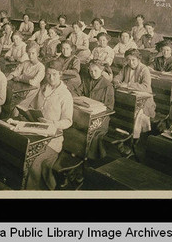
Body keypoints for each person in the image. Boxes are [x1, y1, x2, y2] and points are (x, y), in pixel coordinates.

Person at [25, 59, 73, 190]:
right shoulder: (43, 88)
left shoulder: (65, 95)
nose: (50, 78)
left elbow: (68, 121)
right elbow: (32, 106)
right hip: (37, 132)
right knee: (21, 149)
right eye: (48, 74)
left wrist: (52, 123)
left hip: (52, 140)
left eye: (54, 74)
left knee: (33, 161)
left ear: (60, 74)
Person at [112, 48, 156, 140]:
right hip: (129, 97)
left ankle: (134, 137)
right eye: (128, 60)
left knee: (136, 114)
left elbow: (146, 87)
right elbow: (117, 78)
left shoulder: (144, 69)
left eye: (133, 60)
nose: (131, 62)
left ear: (138, 59)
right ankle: (121, 132)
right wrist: (117, 82)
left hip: (144, 101)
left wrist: (128, 84)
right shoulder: (126, 68)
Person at [78, 59, 115, 160]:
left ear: (102, 70)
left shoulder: (108, 86)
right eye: (90, 71)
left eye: (95, 71)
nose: (93, 74)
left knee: (88, 132)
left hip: (101, 118)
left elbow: (109, 107)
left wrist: (97, 109)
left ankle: (88, 158)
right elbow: (78, 93)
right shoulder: (86, 80)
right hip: (86, 113)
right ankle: (76, 154)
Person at [6, 41, 45, 111]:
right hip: (22, 88)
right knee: (8, 98)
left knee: (16, 107)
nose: (30, 56)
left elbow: (33, 82)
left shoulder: (41, 67)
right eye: (29, 53)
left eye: (33, 53)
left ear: (38, 54)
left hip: (32, 91)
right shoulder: (25, 63)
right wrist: (5, 80)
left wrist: (20, 78)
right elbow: (15, 72)